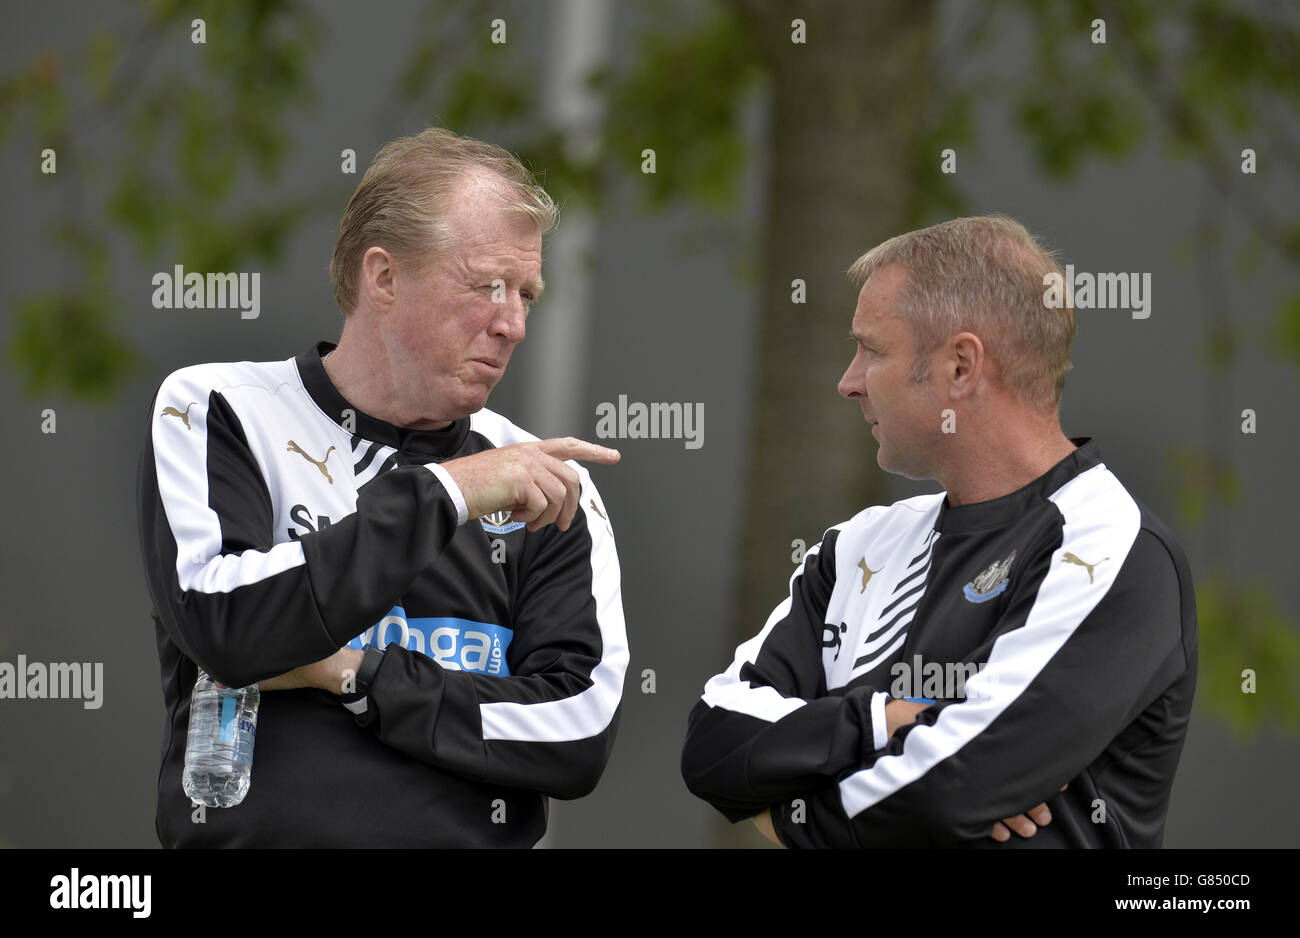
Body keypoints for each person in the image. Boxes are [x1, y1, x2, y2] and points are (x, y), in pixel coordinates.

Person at [138, 128, 629, 847]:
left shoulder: (545, 481)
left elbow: (574, 734)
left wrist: (353, 673)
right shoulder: (218, 407)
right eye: (488, 286)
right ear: (384, 277)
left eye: (527, 294)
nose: (515, 324)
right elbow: (228, 629)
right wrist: (447, 494)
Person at [680, 215, 1197, 848]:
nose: (847, 382)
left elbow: (950, 790)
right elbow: (712, 743)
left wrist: (782, 813)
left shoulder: (1111, 546)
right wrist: (881, 720)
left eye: (871, 349)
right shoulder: (858, 546)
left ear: (960, 366)